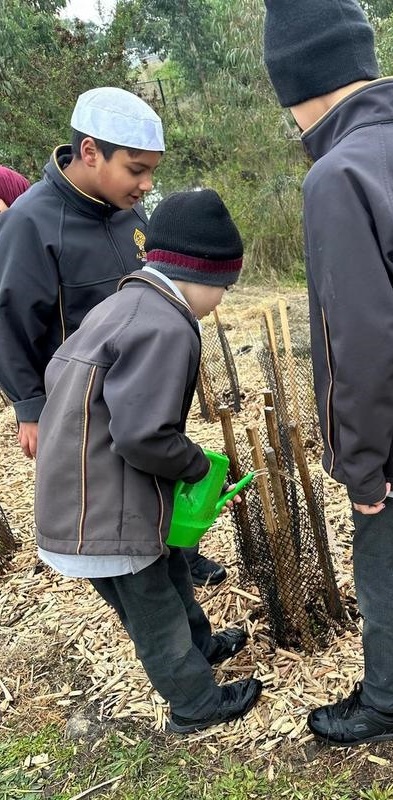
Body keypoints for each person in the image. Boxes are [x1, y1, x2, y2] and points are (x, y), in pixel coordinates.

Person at [263, 0, 393, 746]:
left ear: (294, 82)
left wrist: (358, 463)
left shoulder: (338, 174)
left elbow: (361, 340)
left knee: (385, 564)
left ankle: (386, 705)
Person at [34, 189, 262, 733]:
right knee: (154, 613)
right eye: (223, 288)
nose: (221, 302)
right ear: (198, 273)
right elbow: (143, 436)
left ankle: (202, 645)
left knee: (171, 570)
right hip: (103, 514)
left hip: (83, 496)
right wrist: (197, 466)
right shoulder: (164, 326)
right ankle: (195, 705)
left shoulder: (122, 304)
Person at [0, 86, 225, 587]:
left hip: (145, 379)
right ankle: (147, 591)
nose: (146, 184)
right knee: (112, 498)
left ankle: (179, 557)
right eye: (136, 169)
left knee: (157, 470)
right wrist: (30, 406)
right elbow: (11, 322)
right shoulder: (30, 224)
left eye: (152, 172)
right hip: (82, 403)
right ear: (89, 152)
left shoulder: (130, 214)